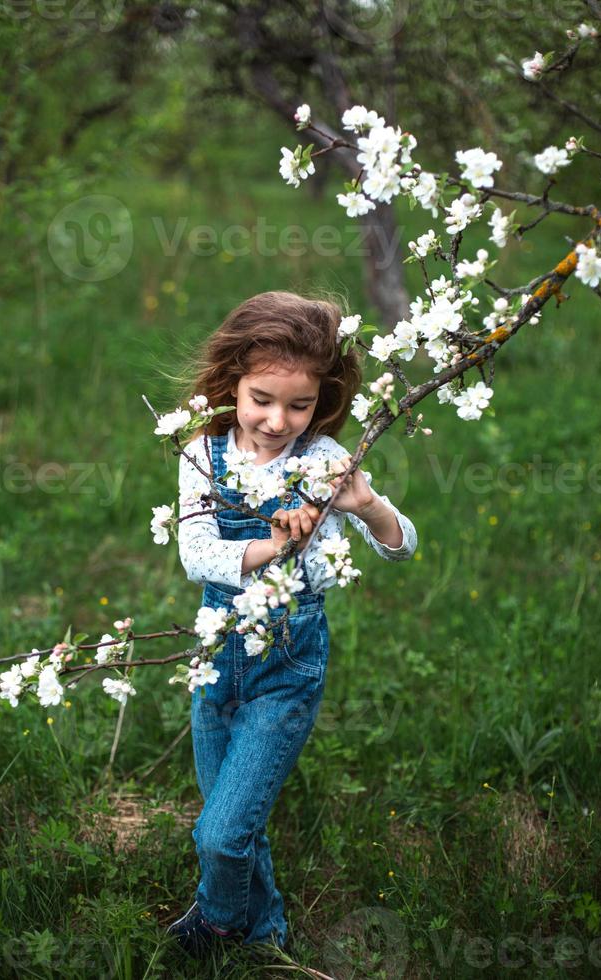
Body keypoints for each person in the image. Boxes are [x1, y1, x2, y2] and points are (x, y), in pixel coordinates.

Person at [167, 290, 417, 960]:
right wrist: (277, 545)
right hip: (216, 654)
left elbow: (404, 544)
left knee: (219, 834)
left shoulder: (324, 460)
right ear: (231, 385)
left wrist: (366, 507)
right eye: (261, 399)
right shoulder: (201, 455)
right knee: (237, 816)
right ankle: (266, 935)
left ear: (321, 398)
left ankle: (217, 921)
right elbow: (199, 556)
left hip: (288, 664)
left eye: (299, 405)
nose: (279, 421)